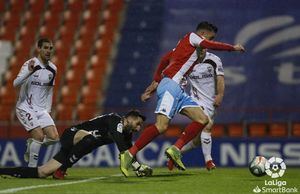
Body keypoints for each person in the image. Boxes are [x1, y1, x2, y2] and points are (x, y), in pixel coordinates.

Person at [119, 21, 245, 177]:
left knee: (202, 119)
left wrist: (157, 80)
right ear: (203, 35)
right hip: (171, 86)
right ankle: (129, 154)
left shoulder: (182, 45)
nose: (205, 47)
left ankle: (175, 149)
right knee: (161, 126)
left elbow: (165, 59)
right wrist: (233, 48)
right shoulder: (192, 37)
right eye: (208, 40)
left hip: (177, 89)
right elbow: (209, 45)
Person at [0, 110, 152, 179]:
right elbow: (120, 143)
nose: (138, 128)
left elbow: (129, 152)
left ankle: (4, 172)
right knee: (91, 139)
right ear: (129, 118)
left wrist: (138, 166)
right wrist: (134, 165)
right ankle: (62, 170)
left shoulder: (127, 133)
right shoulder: (115, 119)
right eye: (137, 124)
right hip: (73, 134)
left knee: (42, 172)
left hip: (80, 145)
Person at [167, 49, 225, 171]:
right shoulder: (188, 61)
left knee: (197, 141)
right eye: (199, 48)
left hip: (211, 101)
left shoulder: (214, 60)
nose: (202, 50)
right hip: (196, 100)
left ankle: (176, 153)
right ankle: (209, 161)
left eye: (204, 47)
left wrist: (220, 95)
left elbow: (220, 78)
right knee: (207, 124)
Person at [13, 38, 59, 167]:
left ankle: (31, 144)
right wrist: (29, 71)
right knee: (38, 136)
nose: (48, 51)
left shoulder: (53, 69)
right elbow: (15, 83)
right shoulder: (30, 63)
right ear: (39, 49)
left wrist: (48, 111)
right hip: (25, 107)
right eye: (45, 48)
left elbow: (50, 91)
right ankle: (32, 169)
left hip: (41, 110)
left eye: (50, 48)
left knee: (54, 138)